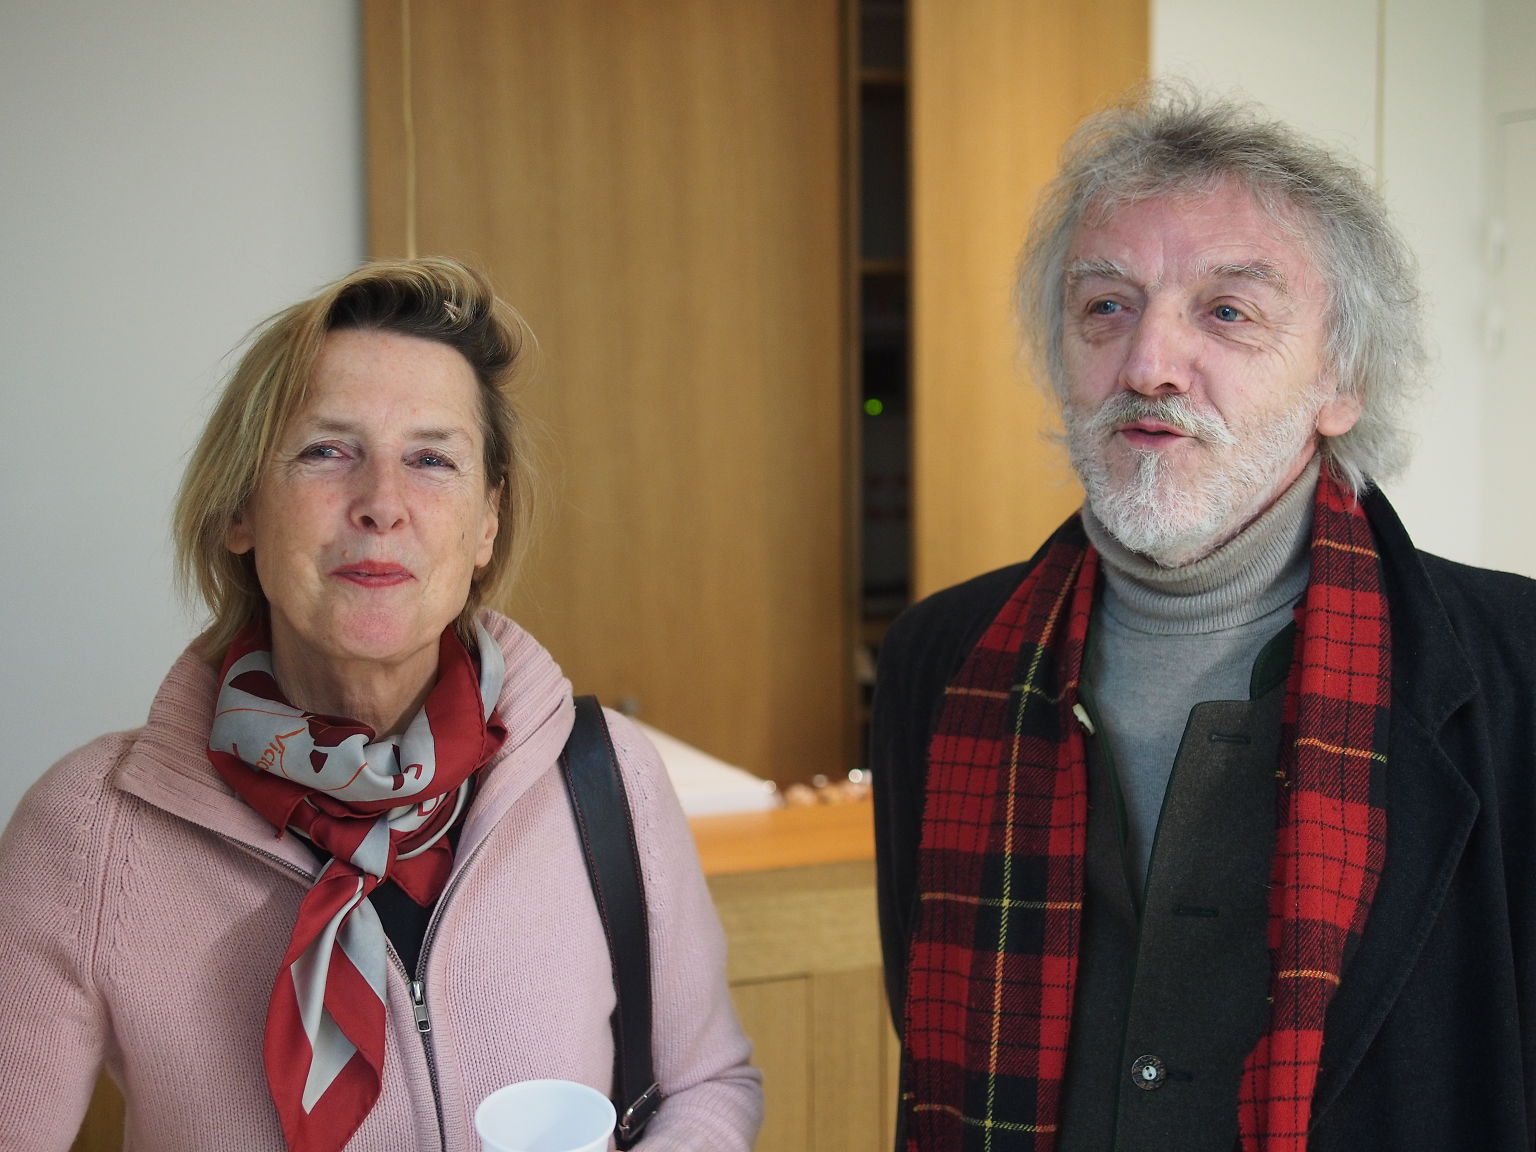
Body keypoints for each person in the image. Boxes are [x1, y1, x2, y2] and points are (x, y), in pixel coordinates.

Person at [871, 87, 1536, 1152]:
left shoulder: (1516, 669)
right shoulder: (940, 662)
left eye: (1227, 312)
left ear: (1342, 380)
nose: (1147, 365)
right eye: (1106, 307)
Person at [0, 258, 762, 1151]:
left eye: (432, 460)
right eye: (327, 451)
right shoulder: (90, 831)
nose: (382, 505)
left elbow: (707, 1085)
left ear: (486, 525)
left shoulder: (607, 776)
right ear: (241, 508)